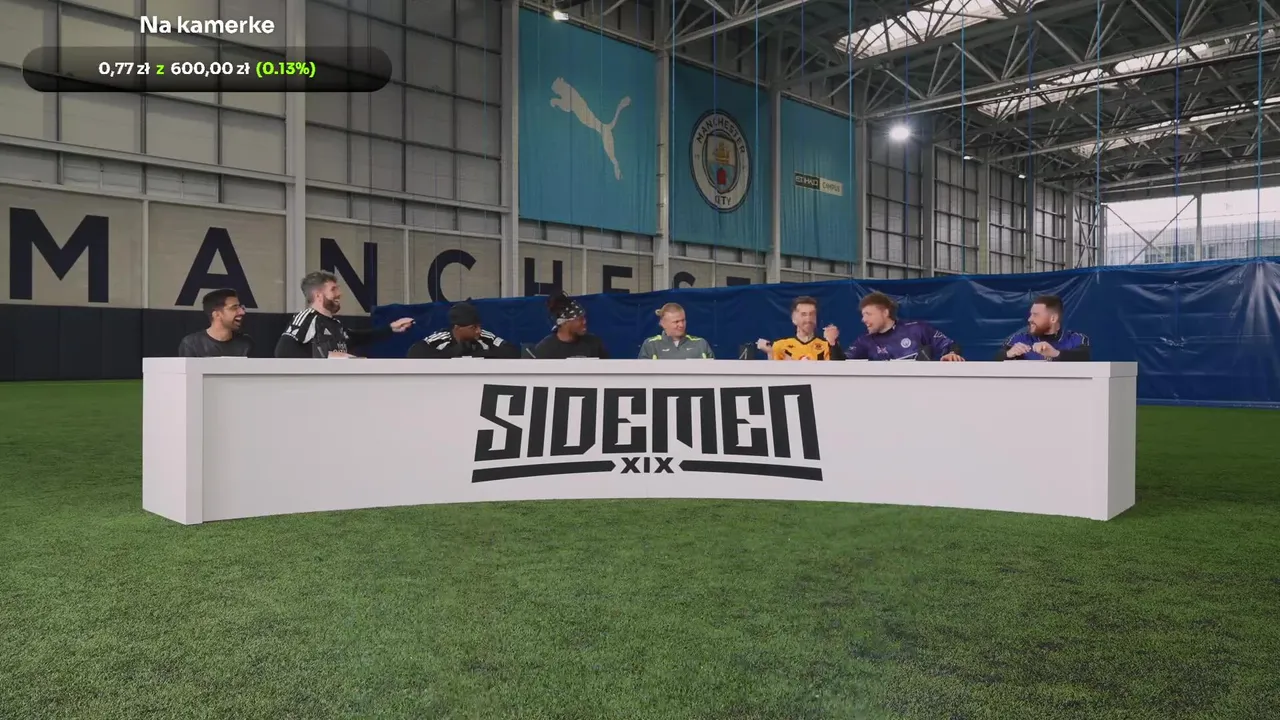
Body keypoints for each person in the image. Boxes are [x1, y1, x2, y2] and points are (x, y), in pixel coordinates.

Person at [274, 271, 415, 358]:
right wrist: (326, 356)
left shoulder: (335, 324)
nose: (339, 294)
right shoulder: (307, 318)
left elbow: (357, 337)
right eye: (333, 289)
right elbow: (283, 351)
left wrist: (391, 328)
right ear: (318, 295)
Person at [847, 292, 964, 361]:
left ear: (885, 313)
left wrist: (952, 354)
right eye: (863, 315)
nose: (863, 319)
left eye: (868, 314)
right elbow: (843, 361)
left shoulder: (916, 329)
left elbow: (949, 344)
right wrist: (835, 345)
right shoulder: (864, 341)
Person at [406, 302, 518, 359]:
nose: (479, 331)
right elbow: (414, 354)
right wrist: (454, 352)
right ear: (457, 328)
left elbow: (512, 351)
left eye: (479, 326)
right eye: (473, 327)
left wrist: (476, 354)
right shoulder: (441, 338)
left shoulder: (484, 336)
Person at [997, 295, 1092, 361]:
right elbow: (996, 359)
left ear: (1053, 318)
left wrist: (1055, 354)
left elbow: (1084, 357)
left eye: (1036, 315)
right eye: (1031, 314)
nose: (1030, 319)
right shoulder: (1020, 339)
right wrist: (1008, 354)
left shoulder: (1075, 339)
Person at [755, 296, 844, 360]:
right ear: (794, 319)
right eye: (803, 314)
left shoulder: (826, 346)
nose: (808, 319)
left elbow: (837, 372)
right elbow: (774, 375)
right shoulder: (780, 346)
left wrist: (833, 344)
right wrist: (770, 353)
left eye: (812, 314)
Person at [531, 291, 609, 358]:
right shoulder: (545, 349)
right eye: (579, 319)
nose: (585, 322)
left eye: (584, 318)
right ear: (564, 322)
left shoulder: (594, 344)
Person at [178, 288, 253, 357]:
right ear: (216, 314)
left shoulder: (246, 343)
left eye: (241, 307)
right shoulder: (191, 344)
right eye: (234, 308)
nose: (242, 312)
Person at [638, 303, 714, 359]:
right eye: (676, 322)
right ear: (663, 323)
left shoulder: (701, 344)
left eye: (683, 320)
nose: (681, 325)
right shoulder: (651, 345)